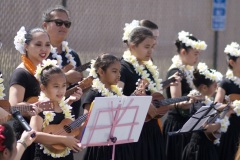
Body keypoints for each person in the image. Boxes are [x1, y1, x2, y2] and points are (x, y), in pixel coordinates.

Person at [118, 26, 168, 160]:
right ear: (132, 47)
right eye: (146, 47)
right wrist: (141, 104)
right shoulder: (123, 68)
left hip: (151, 129)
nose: (151, 51)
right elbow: (116, 99)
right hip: (133, 132)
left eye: (153, 46)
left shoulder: (148, 67)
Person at [163, 30, 207, 160]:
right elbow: (176, 102)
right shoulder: (176, 72)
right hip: (177, 124)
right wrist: (191, 100)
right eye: (195, 54)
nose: (197, 58)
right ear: (183, 52)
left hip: (186, 123)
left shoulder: (187, 70)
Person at [9, 26, 51, 160]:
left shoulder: (46, 70)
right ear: (26, 46)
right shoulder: (21, 73)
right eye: (38, 44)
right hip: (25, 135)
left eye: (47, 45)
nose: (43, 49)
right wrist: (31, 108)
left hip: (43, 133)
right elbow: (13, 107)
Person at [30, 59, 82, 160]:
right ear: (43, 88)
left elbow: (70, 130)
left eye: (64, 86)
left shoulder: (65, 107)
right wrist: (63, 140)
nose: (61, 90)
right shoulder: (41, 108)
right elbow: (33, 135)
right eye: (56, 86)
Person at [82, 53, 127, 160]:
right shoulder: (94, 93)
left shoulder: (117, 93)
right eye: (114, 71)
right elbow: (86, 121)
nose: (119, 75)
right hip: (100, 147)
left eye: (119, 71)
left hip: (117, 144)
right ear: (101, 72)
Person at [42, 5, 83, 118]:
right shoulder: (41, 54)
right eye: (59, 22)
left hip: (70, 116)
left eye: (67, 24)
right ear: (45, 25)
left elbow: (80, 86)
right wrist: (65, 78)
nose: (63, 26)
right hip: (46, 118)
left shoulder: (73, 55)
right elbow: (36, 85)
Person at [182, 62, 229, 160]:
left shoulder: (207, 101)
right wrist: (222, 123)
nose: (217, 89)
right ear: (204, 87)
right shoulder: (197, 102)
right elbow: (205, 127)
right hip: (199, 150)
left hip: (207, 147)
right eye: (215, 85)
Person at [215, 42, 240, 160]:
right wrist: (230, 107)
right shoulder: (225, 82)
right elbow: (216, 104)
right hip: (231, 128)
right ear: (232, 62)